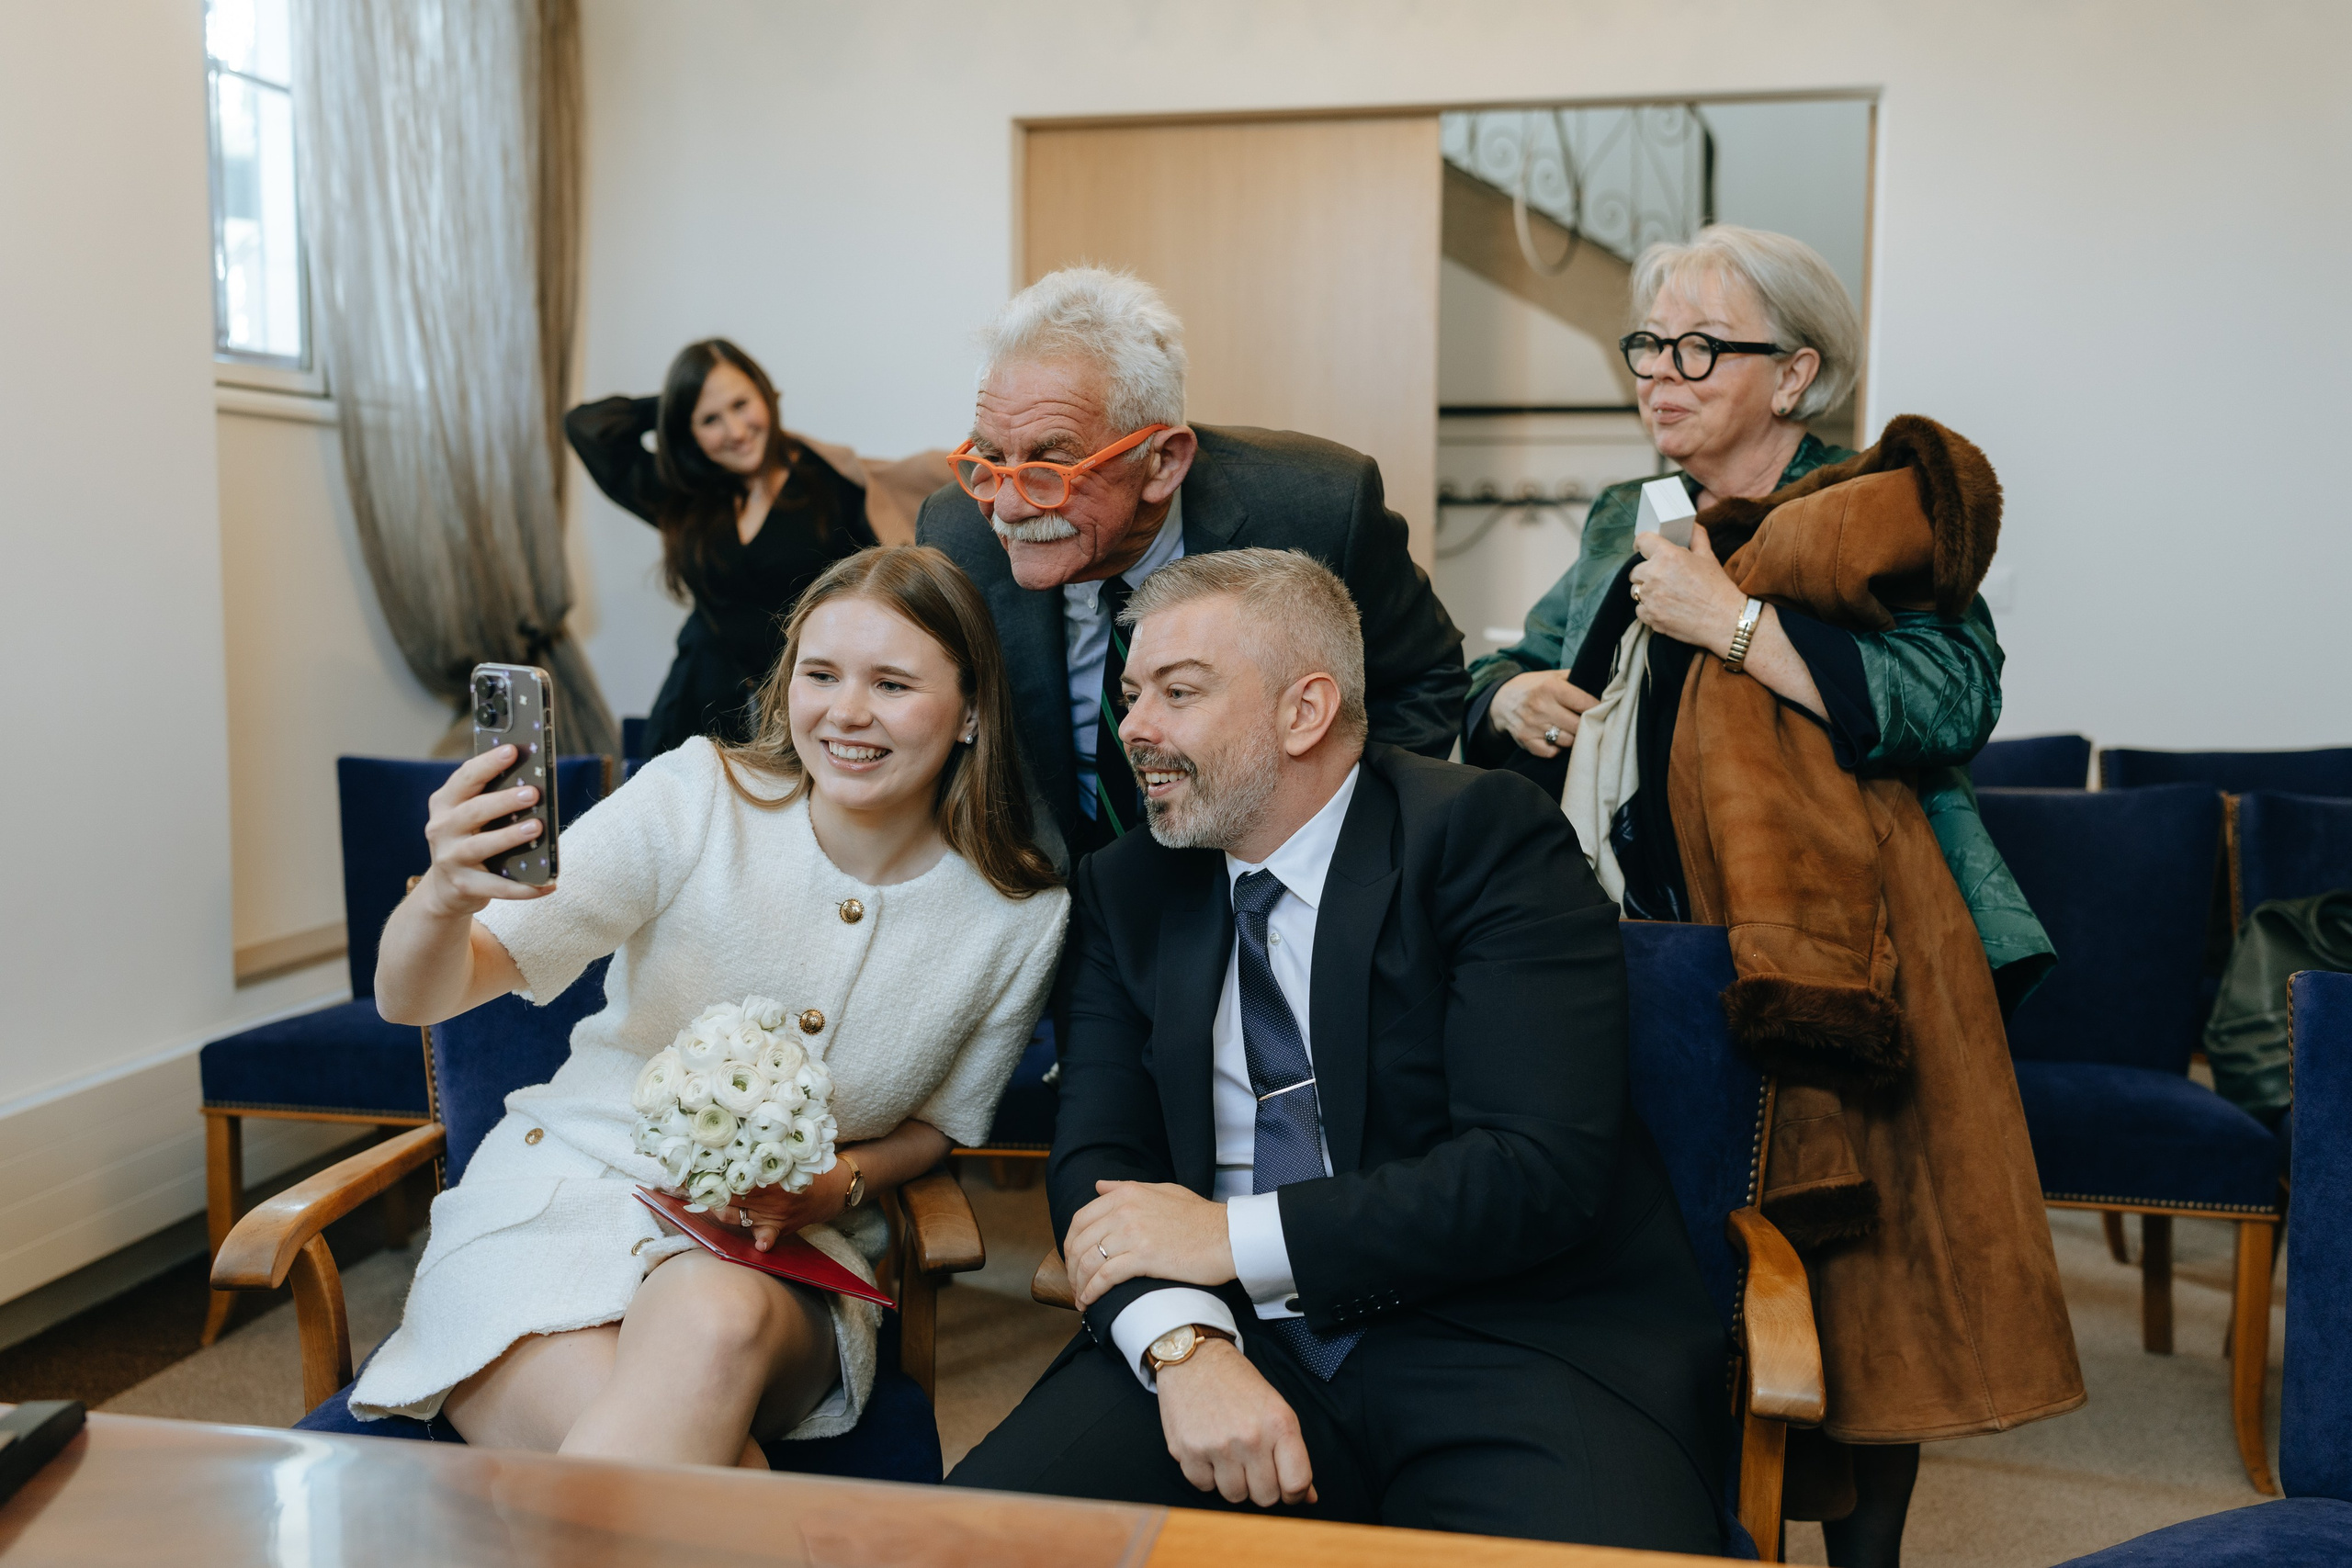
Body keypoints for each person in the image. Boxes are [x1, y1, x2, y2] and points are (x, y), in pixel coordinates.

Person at [1466, 226, 2077, 1566]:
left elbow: (1954, 700)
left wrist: (1733, 621)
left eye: (1699, 347)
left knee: (1861, 1290)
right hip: (1644, 953)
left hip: (1847, 959)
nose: (1659, 375)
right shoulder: (1628, 511)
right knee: (1665, 1273)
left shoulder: (1873, 501)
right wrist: (1507, 691)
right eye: (1645, 344)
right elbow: (1522, 654)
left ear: (1795, 373)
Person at [948, 548, 1725, 1554]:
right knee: (962, 1542)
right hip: (1232, 1334)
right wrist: (1182, 1345)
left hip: (1507, 1337)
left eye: (1178, 694)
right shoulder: (1127, 887)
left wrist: (1230, 1239)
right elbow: (1101, 1166)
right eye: (1131, 693)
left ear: (1303, 713)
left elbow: (1536, 1172)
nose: (1133, 727)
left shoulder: (1482, 837)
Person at [350, 546, 1068, 1468]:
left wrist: (837, 1184)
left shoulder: (1017, 915)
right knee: (691, 1481)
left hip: (779, 1265)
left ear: (971, 711)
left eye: (892, 684)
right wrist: (447, 895)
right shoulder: (696, 798)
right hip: (559, 1205)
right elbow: (419, 994)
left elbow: (941, 1127)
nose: (846, 712)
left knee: (714, 1316)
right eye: (820, 675)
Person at [916, 267, 1467, 864]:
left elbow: (1422, 683)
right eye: (991, 457)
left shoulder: (1320, 508)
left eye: (1052, 464)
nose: (1008, 505)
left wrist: (1326, 852)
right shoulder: (956, 532)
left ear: (1163, 462)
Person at [567, 340, 877, 759]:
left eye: (740, 404)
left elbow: (871, 597)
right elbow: (587, 426)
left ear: (765, 394)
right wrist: (679, 401)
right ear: (689, 430)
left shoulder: (829, 482)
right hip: (694, 714)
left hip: (794, 716)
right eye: (710, 418)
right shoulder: (686, 493)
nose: (734, 430)